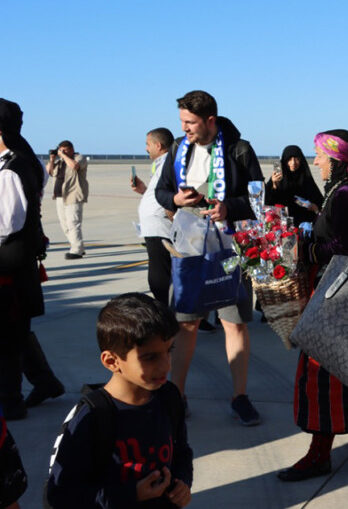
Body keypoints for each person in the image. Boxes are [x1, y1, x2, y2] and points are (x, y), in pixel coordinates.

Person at [278, 130, 348, 482]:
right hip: (336, 294)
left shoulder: (345, 193)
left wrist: (306, 251)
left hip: (336, 299)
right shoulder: (346, 191)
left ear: (335, 158)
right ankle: (328, 453)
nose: (316, 162)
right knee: (337, 376)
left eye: (319, 156)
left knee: (326, 373)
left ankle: (323, 455)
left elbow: (345, 247)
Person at [154, 90, 264, 426]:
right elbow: (160, 192)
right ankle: (177, 395)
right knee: (186, 323)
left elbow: (258, 197)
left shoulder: (238, 149)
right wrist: (175, 196)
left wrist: (229, 206)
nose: (184, 128)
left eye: (190, 122)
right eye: (182, 122)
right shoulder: (177, 149)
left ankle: (239, 397)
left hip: (229, 245)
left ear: (210, 120)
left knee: (234, 322)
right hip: (189, 243)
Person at [46, 293, 192, 508]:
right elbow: (62, 495)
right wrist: (129, 494)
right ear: (112, 361)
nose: (166, 366)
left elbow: (181, 450)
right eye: (151, 357)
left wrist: (183, 481)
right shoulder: (93, 416)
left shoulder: (168, 396)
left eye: (169, 351)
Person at [0, 99, 64, 420]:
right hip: (20, 260)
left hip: (7, 263)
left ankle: (10, 401)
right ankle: (45, 381)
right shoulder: (29, 161)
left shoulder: (10, 169)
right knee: (15, 329)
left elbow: (7, 224)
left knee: (7, 336)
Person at [131, 128, 175, 307]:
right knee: (164, 269)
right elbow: (160, 191)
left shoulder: (169, 162)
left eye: (148, 145)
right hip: (156, 222)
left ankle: (165, 310)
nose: (146, 149)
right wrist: (144, 190)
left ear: (158, 145)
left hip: (160, 224)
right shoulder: (161, 162)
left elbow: (170, 192)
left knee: (160, 272)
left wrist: (173, 217)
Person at [46, 140, 89, 259]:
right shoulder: (59, 162)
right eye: (61, 150)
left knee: (73, 223)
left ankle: (76, 250)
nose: (62, 152)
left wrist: (63, 156)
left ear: (72, 149)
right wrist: (52, 159)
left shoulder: (79, 158)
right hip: (60, 196)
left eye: (65, 150)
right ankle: (79, 246)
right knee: (65, 225)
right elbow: (49, 171)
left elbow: (75, 166)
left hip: (73, 195)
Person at [264, 145, 322, 227]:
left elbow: (320, 204)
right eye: (289, 159)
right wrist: (274, 185)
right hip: (282, 226)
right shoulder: (276, 179)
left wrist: (315, 208)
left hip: (304, 225)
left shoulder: (307, 179)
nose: (293, 163)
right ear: (284, 161)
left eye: (297, 159)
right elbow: (268, 203)